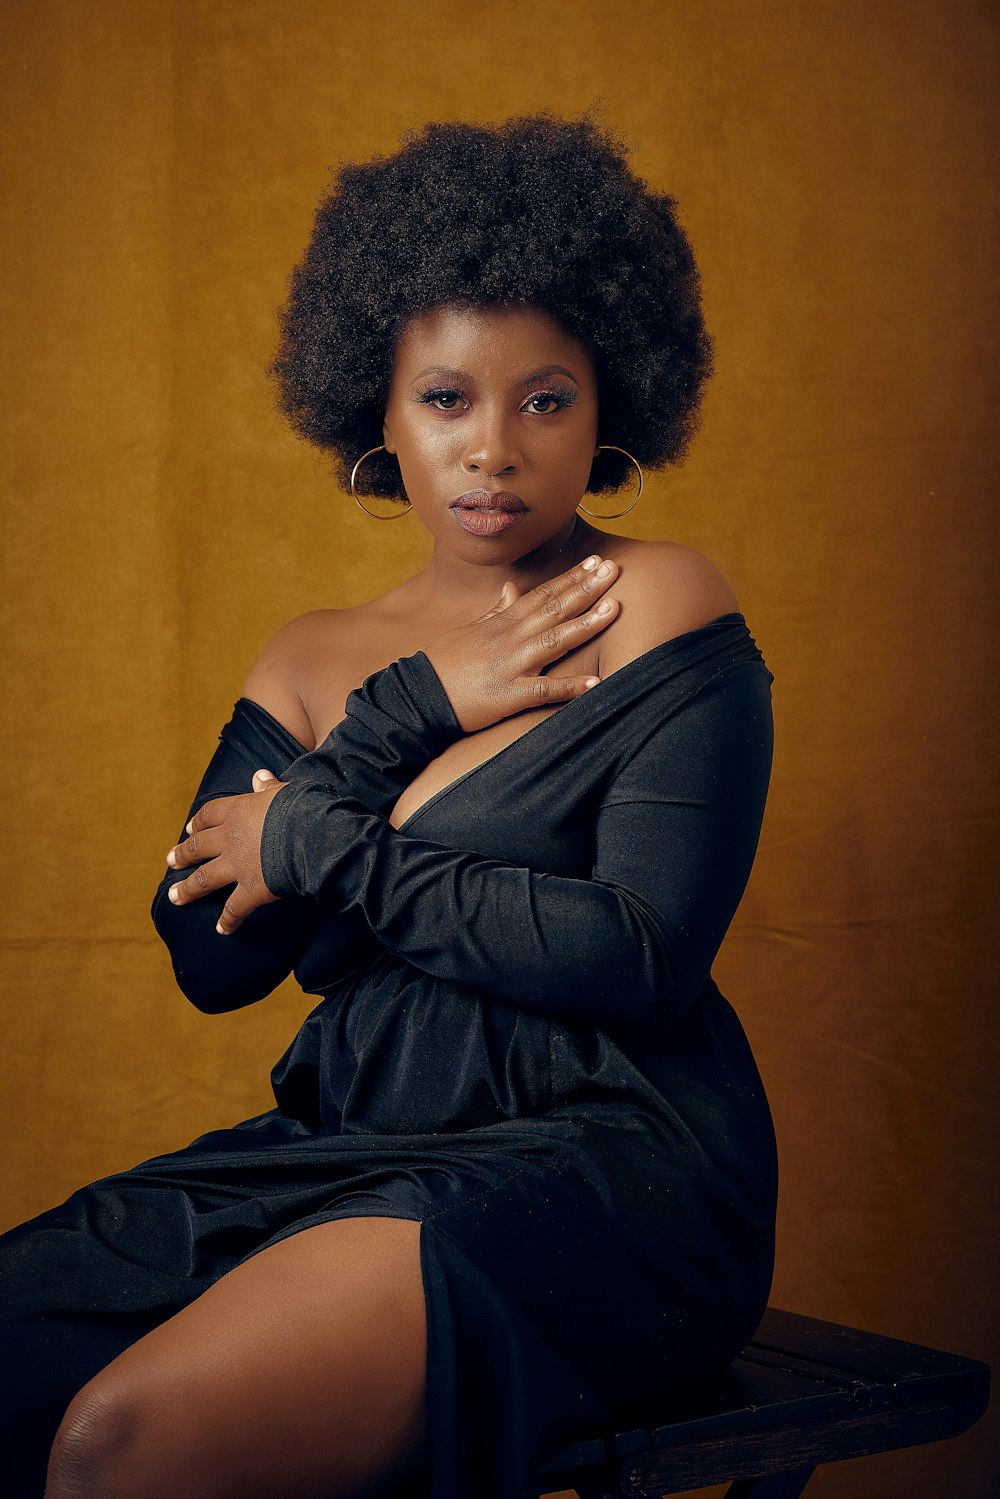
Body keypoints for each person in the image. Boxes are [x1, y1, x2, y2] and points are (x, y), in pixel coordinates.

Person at [0, 113, 778, 1499]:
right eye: (446, 399)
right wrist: (409, 707)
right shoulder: (307, 660)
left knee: (122, 1448)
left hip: (613, 1169)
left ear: (609, 412)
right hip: (352, 1147)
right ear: (380, 410)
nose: (494, 450)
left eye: (546, 398)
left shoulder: (650, 603)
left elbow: (641, 960)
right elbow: (213, 960)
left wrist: (321, 843)